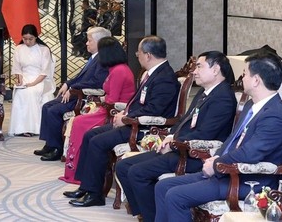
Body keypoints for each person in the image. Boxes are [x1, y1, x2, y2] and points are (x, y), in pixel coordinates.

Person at [154, 52, 282, 222]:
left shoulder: (275, 115)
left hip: (248, 181)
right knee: (163, 186)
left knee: (176, 196)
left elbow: (251, 153)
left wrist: (218, 164)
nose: (242, 77)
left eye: (245, 73)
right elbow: (232, 139)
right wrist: (216, 157)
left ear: (256, 80)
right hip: (226, 171)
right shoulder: (251, 104)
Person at [116, 51, 237, 222]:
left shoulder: (223, 98)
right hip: (178, 147)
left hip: (193, 154)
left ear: (216, 69)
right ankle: (145, 213)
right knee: (123, 166)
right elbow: (183, 121)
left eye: (199, 66)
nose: (194, 71)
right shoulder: (206, 93)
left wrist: (174, 143)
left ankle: (151, 218)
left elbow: (205, 134)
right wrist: (170, 135)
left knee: (137, 172)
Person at [65, 35, 180, 208]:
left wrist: (126, 118)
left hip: (144, 127)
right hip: (132, 120)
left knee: (97, 142)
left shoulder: (164, 77)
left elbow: (154, 110)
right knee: (90, 135)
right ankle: (87, 186)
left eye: (139, 52)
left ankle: (96, 194)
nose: (136, 55)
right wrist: (125, 113)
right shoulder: (152, 74)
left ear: (148, 55)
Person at [60, 36, 136, 184]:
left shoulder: (119, 71)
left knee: (79, 122)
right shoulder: (115, 69)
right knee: (78, 120)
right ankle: (76, 171)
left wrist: (100, 104)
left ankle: (77, 171)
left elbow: (112, 100)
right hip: (108, 107)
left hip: (113, 111)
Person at [36, 26, 111, 161]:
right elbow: (80, 77)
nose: (86, 43)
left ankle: (57, 149)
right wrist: (68, 83)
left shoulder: (103, 60)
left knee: (54, 111)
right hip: (75, 92)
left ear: (100, 42)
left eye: (89, 40)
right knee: (47, 107)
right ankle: (49, 144)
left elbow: (96, 82)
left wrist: (72, 88)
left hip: (83, 97)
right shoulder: (93, 58)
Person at [8, 24, 55, 137]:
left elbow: (44, 72)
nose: (27, 41)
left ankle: (34, 127)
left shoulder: (43, 50)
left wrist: (32, 84)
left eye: (30, 39)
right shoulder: (19, 49)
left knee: (31, 92)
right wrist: (19, 81)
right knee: (21, 92)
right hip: (25, 79)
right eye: (25, 39)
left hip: (40, 80)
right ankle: (21, 128)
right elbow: (17, 69)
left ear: (36, 37)